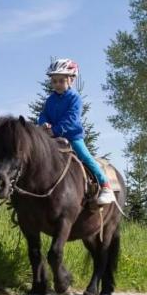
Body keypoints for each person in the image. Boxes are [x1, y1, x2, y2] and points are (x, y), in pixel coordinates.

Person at [37, 58, 115, 205]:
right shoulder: (50, 100)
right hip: (52, 137)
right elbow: (43, 114)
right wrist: (43, 123)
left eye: (61, 81)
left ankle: (106, 187)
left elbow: (71, 119)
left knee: (85, 156)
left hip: (72, 137)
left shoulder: (75, 98)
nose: (57, 84)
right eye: (54, 81)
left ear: (71, 80)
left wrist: (55, 130)